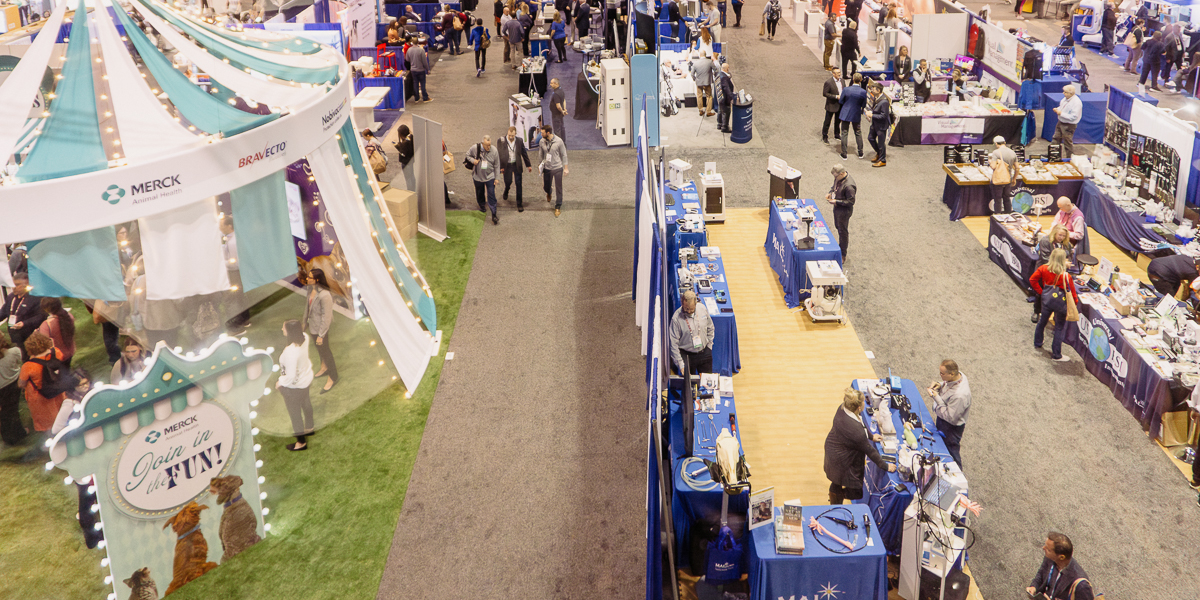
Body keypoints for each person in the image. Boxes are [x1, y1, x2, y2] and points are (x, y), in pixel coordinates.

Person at [823, 388, 896, 504]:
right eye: (863, 402)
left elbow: (860, 422)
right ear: (858, 408)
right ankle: (836, 498)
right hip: (840, 459)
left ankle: (835, 494)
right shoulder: (856, 431)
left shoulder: (843, 408)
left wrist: (871, 436)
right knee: (856, 492)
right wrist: (886, 466)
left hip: (835, 449)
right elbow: (870, 451)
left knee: (836, 480)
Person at [1030, 249, 1079, 362]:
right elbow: (1072, 294)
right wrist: (1073, 306)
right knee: (1059, 328)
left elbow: (1032, 279)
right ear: (1063, 260)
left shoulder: (1043, 268)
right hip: (1060, 304)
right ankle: (1056, 354)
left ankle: (1038, 342)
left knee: (1042, 321)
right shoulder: (1066, 276)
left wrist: (1041, 292)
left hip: (1047, 300)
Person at [18, 332, 68, 435]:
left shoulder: (28, 366)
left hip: (41, 397)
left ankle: (53, 435)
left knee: (48, 420)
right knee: (62, 411)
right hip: (58, 388)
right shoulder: (57, 352)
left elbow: (21, 383)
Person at [277, 319, 314, 451]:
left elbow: (291, 375)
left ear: (290, 332)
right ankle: (310, 427)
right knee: (306, 403)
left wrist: (280, 383)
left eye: (284, 328)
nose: (282, 330)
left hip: (294, 387)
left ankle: (301, 442)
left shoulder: (290, 352)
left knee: (295, 415)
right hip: (305, 380)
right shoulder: (305, 337)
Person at [926, 360, 971, 468]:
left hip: (950, 427)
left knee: (951, 451)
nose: (940, 375)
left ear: (951, 374)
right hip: (944, 420)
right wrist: (939, 385)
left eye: (942, 374)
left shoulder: (960, 396)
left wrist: (935, 397)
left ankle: (958, 476)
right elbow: (947, 384)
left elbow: (950, 417)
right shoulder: (959, 375)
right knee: (940, 445)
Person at [1026, 532, 1095, 600]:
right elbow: (1041, 574)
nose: (1043, 548)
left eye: (1048, 549)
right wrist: (1034, 587)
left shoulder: (1081, 585)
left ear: (1061, 557)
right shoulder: (1050, 558)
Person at [301, 269, 338, 393]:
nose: (307, 279)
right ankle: (324, 367)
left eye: (310, 277)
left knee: (326, 351)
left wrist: (321, 335)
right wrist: (304, 322)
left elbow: (326, 317)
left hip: (320, 329)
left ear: (317, 280)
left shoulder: (324, 295)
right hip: (313, 326)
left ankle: (333, 377)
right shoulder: (310, 289)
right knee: (319, 350)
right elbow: (308, 307)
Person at [668, 290, 715, 376]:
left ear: (696, 304)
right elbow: (673, 344)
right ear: (682, 303)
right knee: (689, 386)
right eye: (686, 308)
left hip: (704, 352)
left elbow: (710, 327)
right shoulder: (676, 319)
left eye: (691, 309)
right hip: (687, 356)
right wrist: (681, 365)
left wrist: (709, 346)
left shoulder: (702, 309)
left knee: (708, 384)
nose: (689, 311)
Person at [0, 272, 46, 358]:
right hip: (16, 335)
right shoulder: (11, 297)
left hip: (30, 336)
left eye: (17, 285)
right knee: (22, 356)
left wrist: (24, 323)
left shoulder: (35, 298)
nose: (14, 287)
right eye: (12, 284)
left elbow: (40, 316)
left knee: (32, 357)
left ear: (26, 284)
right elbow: (3, 312)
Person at [466, 135, 501, 224]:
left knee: (491, 194)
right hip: (478, 177)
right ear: (482, 144)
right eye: (486, 145)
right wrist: (473, 160)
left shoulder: (494, 151)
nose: (488, 147)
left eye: (489, 145)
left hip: (490, 177)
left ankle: (494, 213)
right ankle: (482, 205)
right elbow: (467, 155)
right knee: (479, 192)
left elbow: (497, 165)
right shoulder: (475, 148)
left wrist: (497, 178)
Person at [826, 164, 856, 260]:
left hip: (844, 211)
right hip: (838, 208)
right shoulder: (839, 178)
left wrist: (836, 201)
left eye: (836, 176)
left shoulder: (849, 186)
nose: (835, 178)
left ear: (842, 173)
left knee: (842, 232)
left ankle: (843, 254)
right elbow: (834, 187)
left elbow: (851, 202)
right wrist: (830, 193)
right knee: (837, 227)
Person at [498, 126, 533, 211]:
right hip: (507, 165)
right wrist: (501, 167)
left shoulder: (519, 141)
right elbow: (499, 155)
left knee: (518, 184)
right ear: (507, 133)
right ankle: (507, 189)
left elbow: (524, 153)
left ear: (515, 134)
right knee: (508, 181)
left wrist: (528, 165)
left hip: (516, 164)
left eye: (512, 135)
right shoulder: (501, 141)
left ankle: (519, 203)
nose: (511, 137)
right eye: (509, 135)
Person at [0, 336, 26, 445]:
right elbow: (21, 361)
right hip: (14, 385)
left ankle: (7, 437)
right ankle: (19, 433)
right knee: (13, 410)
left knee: (4, 412)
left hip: (1, 389)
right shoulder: (14, 351)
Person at [36, 298, 75, 369]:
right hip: (70, 351)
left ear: (46, 309)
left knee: (59, 376)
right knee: (67, 371)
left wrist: (37, 333)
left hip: (57, 356)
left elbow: (44, 343)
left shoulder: (47, 325)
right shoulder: (69, 316)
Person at [540, 125, 569, 217]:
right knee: (546, 187)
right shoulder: (542, 141)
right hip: (547, 168)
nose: (541, 134)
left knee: (559, 188)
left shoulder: (559, 141)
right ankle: (549, 192)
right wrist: (539, 166)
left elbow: (564, 154)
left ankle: (558, 206)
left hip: (557, 168)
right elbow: (540, 154)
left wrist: (566, 168)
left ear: (548, 133)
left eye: (542, 133)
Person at [838, 73, 867, 160]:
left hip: (846, 113)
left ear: (853, 79)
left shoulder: (846, 89)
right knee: (858, 132)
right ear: (861, 80)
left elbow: (841, 101)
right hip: (856, 113)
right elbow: (864, 104)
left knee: (844, 132)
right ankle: (860, 152)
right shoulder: (863, 91)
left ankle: (844, 153)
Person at [1051, 85, 1082, 159]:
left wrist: (1060, 113)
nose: (1063, 93)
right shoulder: (1065, 99)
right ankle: (1053, 155)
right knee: (1056, 138)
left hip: (1069, 125)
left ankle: (1069, 158)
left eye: (1065, 92)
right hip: (1060, 122)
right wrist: (1058, 109)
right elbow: (1062, 107)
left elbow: (1073, 116)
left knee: (1067, 142)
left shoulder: (1077, 103)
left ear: (1071, 93)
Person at [989, 136, 1017, 213]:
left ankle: (998, 216)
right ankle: (1008, 215)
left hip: (998, 179)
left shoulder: (996, 152)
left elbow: (993, 166)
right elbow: (1017, 168)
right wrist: (1014, 179)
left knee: (997, 199)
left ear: (996, 144)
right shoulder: (1012, 152)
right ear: (1004, 142)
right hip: (1008, 179)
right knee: (1006, 198)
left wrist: (990, 161)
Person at [867, 83, 889, 167]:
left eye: (873, 89)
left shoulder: (884, 102)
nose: (871, 90)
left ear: (878, 90)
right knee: (870, 138)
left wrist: (872, 115)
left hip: (881, 126)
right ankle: (879, 153)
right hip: (875, 124)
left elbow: (884, 116)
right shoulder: (877, 98)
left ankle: (882, 160)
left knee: (881, 143)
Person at [691, 52, 716, 118]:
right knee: (709, 96)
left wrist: (695, 79)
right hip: (707, 82)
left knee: (699, 96)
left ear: (700, 55)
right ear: (705, 55)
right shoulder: (709, 61)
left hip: (699, 83)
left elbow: (692, 74)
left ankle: (701, 110)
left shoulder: (695, 63)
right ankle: (708, 111)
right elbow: (715, 70)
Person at [822, 67, 843, 144]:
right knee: (827, 121)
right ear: (833, 74)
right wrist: (835, 96)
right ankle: (825, 135)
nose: (839, 74)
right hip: (831, 105)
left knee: (838, 121)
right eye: (837, 73)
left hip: (840, 105)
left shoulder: (842, 81)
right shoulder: (828, 82)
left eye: (839, 72)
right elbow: (825, 93)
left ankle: (837, 134)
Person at [394, 124, 415, 190]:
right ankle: (414, 190)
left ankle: (411, 191)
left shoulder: (405, 143)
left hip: (406, 162)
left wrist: (398, 146)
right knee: (412, 177)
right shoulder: (411, 137)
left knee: (408, 179)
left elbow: (403, 154)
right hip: (411, 160)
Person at [716, 63, 735, 133]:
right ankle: (725, 127)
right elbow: (727, 89)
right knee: (726, 111)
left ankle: (719, 123)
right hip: (725, 98)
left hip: (720, 97)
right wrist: (732, 98)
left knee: (720, 110)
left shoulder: (719, 74)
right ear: (727, 69)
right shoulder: (724, 77)